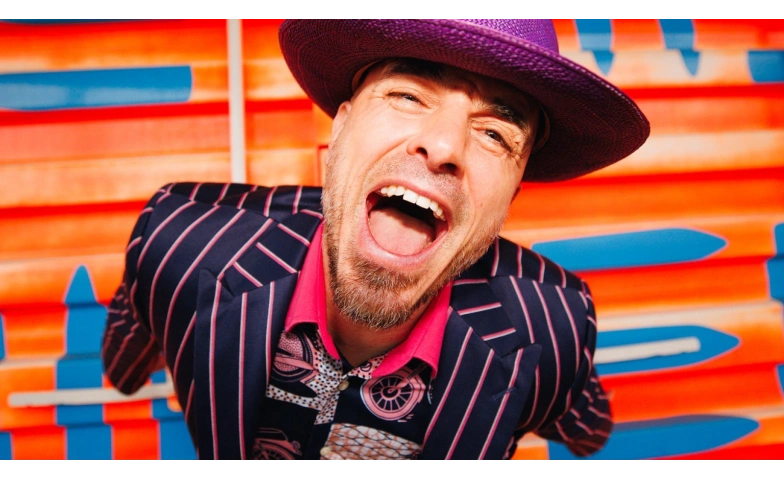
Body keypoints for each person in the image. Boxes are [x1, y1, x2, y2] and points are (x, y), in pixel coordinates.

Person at [101, 18, 649, 461]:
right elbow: (125, 367)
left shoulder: (551, 325)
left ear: (511, 194)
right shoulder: (179, 242)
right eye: (408, 95)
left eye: (493, 133)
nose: (443, 147)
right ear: (340, 127)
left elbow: (587, 432)